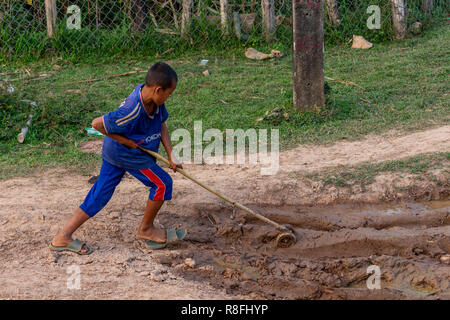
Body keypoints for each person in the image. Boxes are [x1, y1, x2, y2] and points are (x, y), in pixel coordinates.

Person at [50, 62, 184, 254]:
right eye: (169, 94)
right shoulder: (131, 110)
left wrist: (170, 153)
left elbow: (161, 124)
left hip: (116, 152)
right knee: (163, 184)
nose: (169, 97)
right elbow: (97, 124)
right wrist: (126, 141)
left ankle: (62, 237)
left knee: (100, 194)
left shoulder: (153, 100)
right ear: (158, 89)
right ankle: (146, 230)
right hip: (127, 154)